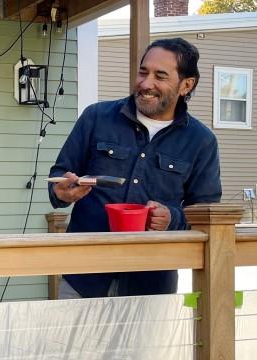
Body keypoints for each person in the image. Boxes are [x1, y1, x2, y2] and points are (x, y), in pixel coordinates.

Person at [48, 38, 222, 298]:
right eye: (143, 72)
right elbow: (59, 178)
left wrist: (171, 218)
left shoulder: (201, 141)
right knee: (66, 342)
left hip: (152, 283)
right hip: (84, 276)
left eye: (160, 76)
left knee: (146, 343)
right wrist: (63, 192)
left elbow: (207, 214)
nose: (145, 83)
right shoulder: (96, 117)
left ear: (186, 85)